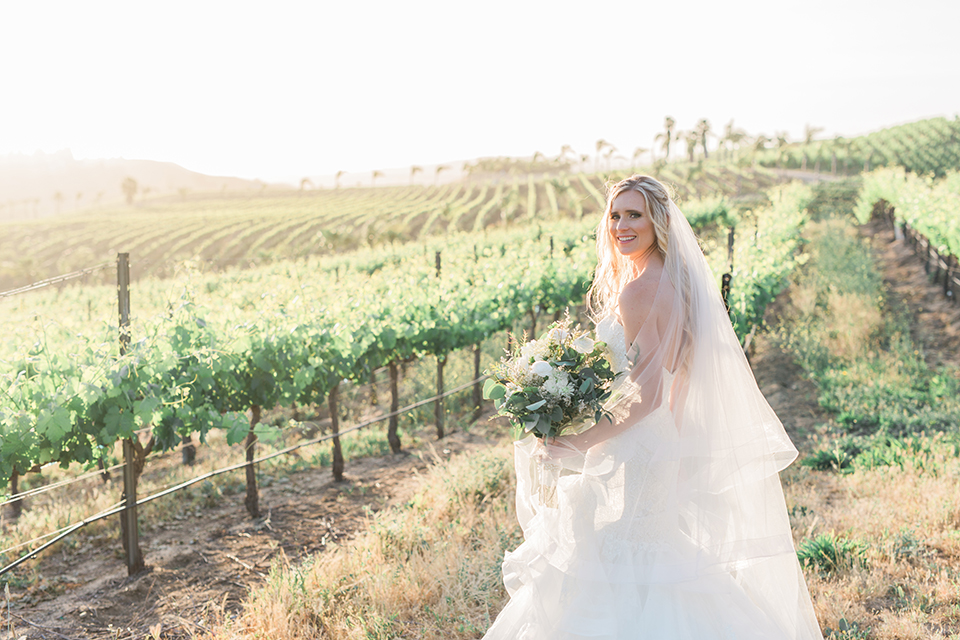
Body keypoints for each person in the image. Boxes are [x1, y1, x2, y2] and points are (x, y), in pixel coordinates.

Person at [481, 175, 823, 639]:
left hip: (636, 447)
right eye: (615, 215)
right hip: (658, 444)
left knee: (618, 560)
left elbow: (646, 396)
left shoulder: (639, 291)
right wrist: (673, 446)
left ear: (658, 220)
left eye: (634, 214)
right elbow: (675, 384)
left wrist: (578, 441)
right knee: (651, 557)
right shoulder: (675, 283)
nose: (621, 224)